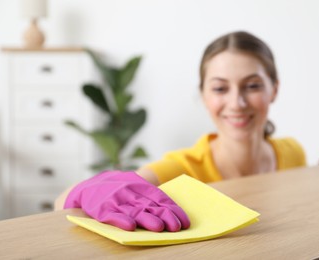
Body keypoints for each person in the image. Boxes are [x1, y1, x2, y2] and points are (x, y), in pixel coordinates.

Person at [55, 31, 306, 232]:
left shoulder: (293, 153)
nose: (237, 103)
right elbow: (60, 203)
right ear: (203, 95)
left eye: (252, 86)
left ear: (274, 89)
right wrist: (87, 191)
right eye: (220, 89)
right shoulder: (180, 171)